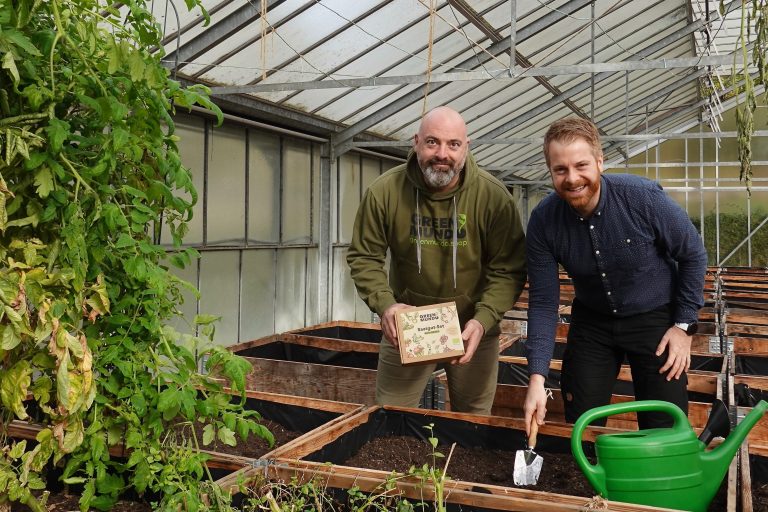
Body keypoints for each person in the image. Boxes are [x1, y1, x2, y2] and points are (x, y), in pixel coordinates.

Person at [523, 117, 708, 433]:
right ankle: (593, 479)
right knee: (581, 414)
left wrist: (683, 325)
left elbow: (692, 254)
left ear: (599, 161)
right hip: (593, 320)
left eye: (581, 165)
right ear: (550, 170)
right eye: (560, 170)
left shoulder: (642, 198)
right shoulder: (544, 221)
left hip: (653, 316)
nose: (572, 178)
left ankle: (658, 476)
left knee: (664, 418)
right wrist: (537, 378)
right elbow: (542, 302)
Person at [346, 106, 527, 414]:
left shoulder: (493, 197)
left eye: (453, 144)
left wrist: (483, 321)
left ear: (466, 147)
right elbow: (364, 256)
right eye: (432, 142)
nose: (442, 153)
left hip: (471, 327)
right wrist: (386, 305)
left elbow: (508, 270)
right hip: (410, 327)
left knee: (472, 421)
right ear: (416, 142)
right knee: (390, 416)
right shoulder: (385, 192)